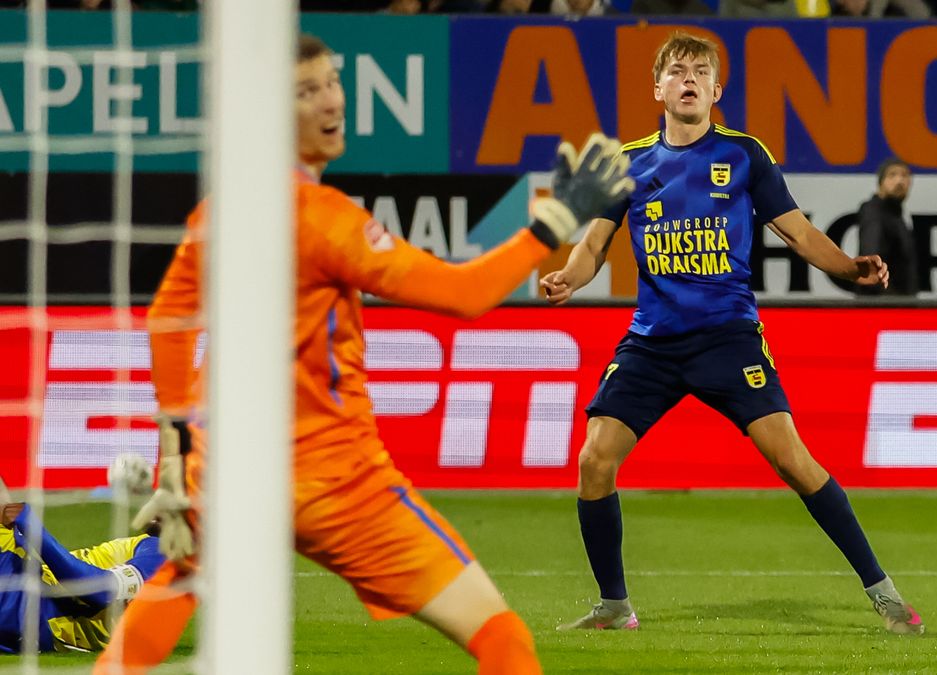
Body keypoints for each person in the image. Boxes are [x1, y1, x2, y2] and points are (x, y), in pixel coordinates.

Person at [91, 33, 632, 675]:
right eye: (306, 91)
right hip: (335, 481)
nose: (331, 101)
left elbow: (168, 321)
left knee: (172, 590)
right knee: (503, 639)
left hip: (234, 471)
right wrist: (552, 224)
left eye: (332, 82)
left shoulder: (221, 211)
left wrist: (178, 449)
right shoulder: (326, 219)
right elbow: (463, 294)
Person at [540, 31, 924, 636]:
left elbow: (798, 232)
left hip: (728, 337)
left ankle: (885, 595)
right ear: (658, 88)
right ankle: (614, 607)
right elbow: (593, 246)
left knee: (793, 462)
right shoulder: (630, 163)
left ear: (717, 89)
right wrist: (570, 276)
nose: (688, 79)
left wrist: (850, 269)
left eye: (700, 71)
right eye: (677, 70)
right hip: (652, 343)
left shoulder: (745, 154)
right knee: (594, 460)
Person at [0, 502, 165, 654]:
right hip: (25, 595)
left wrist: (34, 530)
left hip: (31, 607)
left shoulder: (162, 555)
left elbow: (102, 592)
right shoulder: (140, 545)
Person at [856, 157, 919, 297]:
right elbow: (871, 264)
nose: (899, 181)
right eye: (892, 175)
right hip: (882, 305)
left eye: (905, 175)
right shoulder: (874, 213)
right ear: (880, 182)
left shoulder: (896, 215)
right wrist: (891, 302)